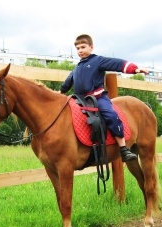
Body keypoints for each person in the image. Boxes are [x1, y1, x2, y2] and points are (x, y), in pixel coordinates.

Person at [60, 34, 148, 162]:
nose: (80, 50)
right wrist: (59, 92)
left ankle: (123, 148)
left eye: (83, 47)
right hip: (79, 100)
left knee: (111, 115)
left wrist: (135, 69)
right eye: (78, 48)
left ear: (91, 47)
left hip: (98, 98)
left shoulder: (98, 61)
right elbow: (68, 82)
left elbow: (116, 63)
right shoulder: (77, 67)